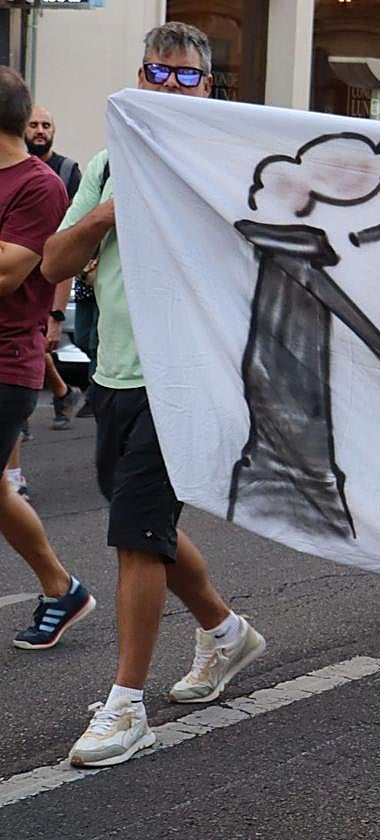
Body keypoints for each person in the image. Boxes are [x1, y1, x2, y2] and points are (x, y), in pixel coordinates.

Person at [42, 21, 266, 769]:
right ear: (141, 80)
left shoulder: (223, 166)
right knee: (146, 524)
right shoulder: (105, 167)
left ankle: (126, 707)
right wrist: (108, 214)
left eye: (187, 76)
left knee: (136, 535)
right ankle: (229, 634)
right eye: (158, 74)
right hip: (115, 377)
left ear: (207, 86)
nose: (171, 87)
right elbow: (52, 264)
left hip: (188, 379)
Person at [0, 67, 96, 651]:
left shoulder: (39, 185)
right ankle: (62, 589)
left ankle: (63, 588)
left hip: (7, 360)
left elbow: (9, 273)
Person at [24, 104, 85, 429]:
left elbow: (71, 233)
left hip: (49, 269)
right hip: (19, 269)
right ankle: (62, 394)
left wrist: (57, 314)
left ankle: (58, 395)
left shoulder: (67, 171)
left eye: (46, 125)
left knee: (31, 338)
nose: (40, 131)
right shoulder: (14, 167)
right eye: (33, 124)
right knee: (25, 338)